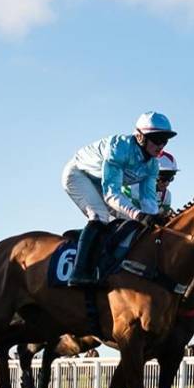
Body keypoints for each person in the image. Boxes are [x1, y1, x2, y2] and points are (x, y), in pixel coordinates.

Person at [60, 111, 172, 285]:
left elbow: (149, 202)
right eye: (157, 139)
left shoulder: (152, 165)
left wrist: (155, 220)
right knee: (99, 215)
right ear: (141, 137)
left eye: (165, 140)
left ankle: (99, 255)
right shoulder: (119, 148)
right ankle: (79, 272)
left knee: (126, 221)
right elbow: (112, 194)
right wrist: (140, 215)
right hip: (78, 174)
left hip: (100, 182)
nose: (161, 145)